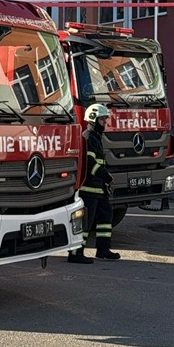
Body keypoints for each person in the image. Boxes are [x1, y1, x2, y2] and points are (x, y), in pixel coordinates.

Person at [69, 103, 121, 264]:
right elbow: (90, 163)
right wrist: (105, 175)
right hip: (89, 188)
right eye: (103, 119)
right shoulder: (89, 137)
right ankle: (76, 253)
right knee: (86, 222)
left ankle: (103, 249)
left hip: (99, 188)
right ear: (93, 119)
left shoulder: (96, 137)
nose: (105, 122)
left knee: (106, 216)